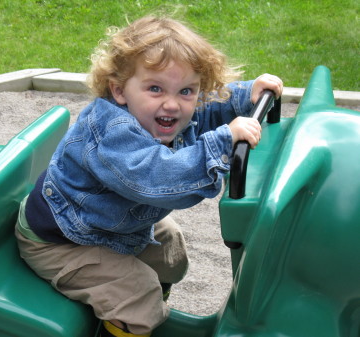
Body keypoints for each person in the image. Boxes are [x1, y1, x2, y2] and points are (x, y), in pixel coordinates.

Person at [15, 15, 283, 337]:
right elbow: (157, 179)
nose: (172, 104)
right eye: (155, 88)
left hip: (110, 223)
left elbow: (204, 111)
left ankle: (137, 319)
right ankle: (133, 321)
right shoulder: (112, 133)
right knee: (139, 296)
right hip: (62, 240)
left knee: (171, 251)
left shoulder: (162, 112)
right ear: (119, 91)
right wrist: (223, 142)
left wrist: (246, 96)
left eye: (186, 90)